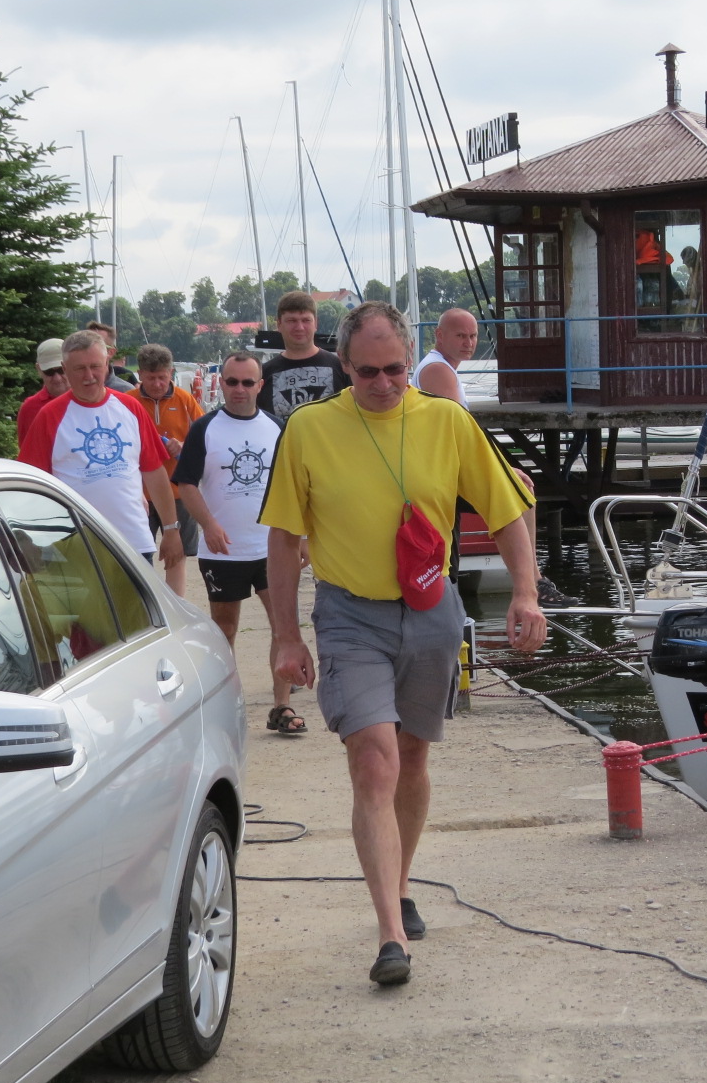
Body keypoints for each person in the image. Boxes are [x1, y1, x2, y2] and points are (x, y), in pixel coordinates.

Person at [262, 300, 545, 987]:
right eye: (367, 373)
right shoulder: (309, 429)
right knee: (374, 760)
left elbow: (506, 509)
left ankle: (402, 881)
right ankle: (391, 933)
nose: (384, 384)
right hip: (349, 614)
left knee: (413, 756)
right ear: (343, 365)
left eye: (394, 369)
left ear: (410, 361)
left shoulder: (446, 421)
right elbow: (283, 538)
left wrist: (526, 592)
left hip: (430, 609)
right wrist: (285, 635)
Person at [412, 308, 580, 608]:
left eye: (473, 336)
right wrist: (502, 470)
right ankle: (532, 583)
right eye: (460, 336)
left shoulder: (441, 367)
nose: (468, 343)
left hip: (446, 466)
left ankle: (532, 580)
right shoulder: (437, 370)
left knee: (520, 490)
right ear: (439, 335)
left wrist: (503, 468)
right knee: (520, 493)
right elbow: (460, 432)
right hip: (443, 471)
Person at [172, 351, 302, 734]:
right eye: (232, 382)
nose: (239, 389)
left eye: (248, 382)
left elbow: (297, 485)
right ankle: (228, 705)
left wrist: (303, 538)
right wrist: (208, 524)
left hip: (271, 548)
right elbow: (186, 483)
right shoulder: (205, 428)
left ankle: (282, 706)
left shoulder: (278, 428)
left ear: (260, 385)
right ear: (223, 384)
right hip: (223, 552)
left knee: (282, 627)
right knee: (225, 629)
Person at [19, 330, 183, 570]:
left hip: (133, 542)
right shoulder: (49, 417)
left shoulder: (130, 407)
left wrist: (171, 529)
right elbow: (30, 484)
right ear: (65, 368)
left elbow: (155, 472)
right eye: (80, 369)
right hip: (76, 547)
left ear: (107, 363)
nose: (89, 376)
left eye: (95, 366)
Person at [129, 343, 204, 597]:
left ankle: (176, 604)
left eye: (162, 377)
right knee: (139, 553)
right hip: (140, 493)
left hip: (177, 491)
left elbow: (204, 438)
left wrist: (183, 445)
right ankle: (146, 602)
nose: (158, 384)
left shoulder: (185, 400)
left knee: (177, 553)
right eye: (151, 378)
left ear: (171, 373)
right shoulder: (128, 401)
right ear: (140, 374)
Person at [256, 290, 349, 421]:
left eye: (306, 320)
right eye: (291, 320)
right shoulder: (263, 374)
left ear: (315, 323)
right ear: (279, 324)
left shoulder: (341, 368)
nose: (299, 327)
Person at [16, 337, 69, 446]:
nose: (57, 378)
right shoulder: (30, 408)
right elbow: (27, 451)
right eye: (49, 372)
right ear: (39, 370)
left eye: (61, 370)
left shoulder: (88, 400)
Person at [85, 320, 137, 390]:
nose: (89, 350)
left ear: (111, 352)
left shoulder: (125, 390)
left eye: (97, 346)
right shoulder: (74, 387)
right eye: (85, 345)